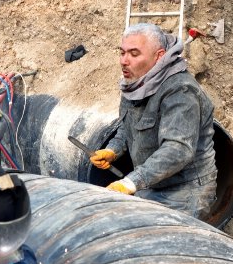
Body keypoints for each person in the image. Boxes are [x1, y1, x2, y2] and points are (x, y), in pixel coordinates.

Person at [90, 22, 217, 219]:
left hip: (184, 192)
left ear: (158, 56)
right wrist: (112, 150)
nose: (124, 61)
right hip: (150, 183)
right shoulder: (136, 83)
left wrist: (131, 182)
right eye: (122, 52)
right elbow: (128, 127)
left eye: (134, 54)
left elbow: (178, 148)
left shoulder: (180, 90)